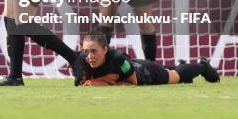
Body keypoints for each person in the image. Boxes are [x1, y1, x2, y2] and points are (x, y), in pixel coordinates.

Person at [73, 31, 220, 86]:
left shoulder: (119, 59)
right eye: (86, 51)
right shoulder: (82, 60)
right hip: (136, 66)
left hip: (145, 73)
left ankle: (203, 66)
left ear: (105, 49)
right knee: (175, 72)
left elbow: (133, 83)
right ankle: (179, 65)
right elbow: (81, 83)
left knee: (176, 76)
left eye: (94, 51)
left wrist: (103, 82)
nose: (90, 56)